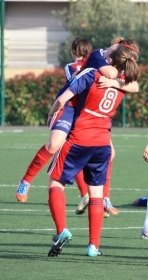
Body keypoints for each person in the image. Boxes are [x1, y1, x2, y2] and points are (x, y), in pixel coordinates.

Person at [15, 38, 140, 218]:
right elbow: (110, 73)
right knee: (54, 144)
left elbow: (134, 86)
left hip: (89, 111)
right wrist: (119, 78)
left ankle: (103, 198)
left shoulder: (118, 63)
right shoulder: (99, 54)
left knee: (109, 153)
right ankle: (25, 181)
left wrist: (115, 83)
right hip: (70, 105)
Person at [46, 43, 140, 257]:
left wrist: (51, 114)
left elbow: (62, 99)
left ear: (110, 60)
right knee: (96, 193)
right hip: (103, 143)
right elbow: (134, 86)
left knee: (55, 182)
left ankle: (61, 231)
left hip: (80, 138)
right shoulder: (122, 82)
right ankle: (93, 246)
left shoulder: (93, 73)